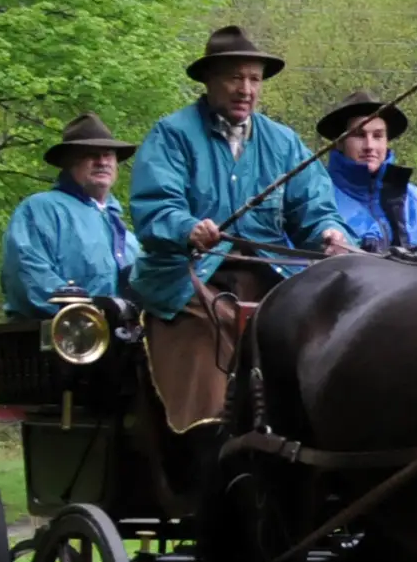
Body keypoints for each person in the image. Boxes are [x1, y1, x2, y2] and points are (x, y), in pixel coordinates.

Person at [127, 24, 354, 433]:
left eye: (253, 79)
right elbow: (155, 209)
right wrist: (188, 228)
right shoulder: (172, 136)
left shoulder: (283, 143)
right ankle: (204, 440)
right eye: (234, 77)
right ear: (209, 81)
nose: (245, 89)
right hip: (188, 282)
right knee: (213, 334)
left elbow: (315, 211)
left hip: (268, 279)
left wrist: (330, 234)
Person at [0, 113, 138, 319]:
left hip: (123, 341)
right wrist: (88, 313)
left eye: (108, 154)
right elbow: (27, 275)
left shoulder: (127, 236)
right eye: (91, 154)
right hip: (54, 340)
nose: (102, 162)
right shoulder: (40, 209)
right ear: (69, 161)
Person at [317, 88, 417, 259]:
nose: (370, 146)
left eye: (378, 136)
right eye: (359, 135)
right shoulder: (316, 199)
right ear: (339, 142)